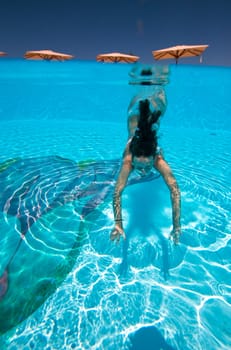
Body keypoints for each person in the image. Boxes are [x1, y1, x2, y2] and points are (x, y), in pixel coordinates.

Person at [110, 90, 181, 245]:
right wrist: (118, 224)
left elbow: (175, 190)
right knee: (146, 106)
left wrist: (176, 226)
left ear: (154, 158)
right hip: (134, 112)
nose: (142, 172)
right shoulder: (128, 161)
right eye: (139, 166)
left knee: (158, 102)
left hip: (144, 113)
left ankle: (157, 88)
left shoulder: (159, 160)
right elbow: (117, 193)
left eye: (147, 166)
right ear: (133, 159)